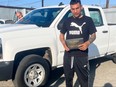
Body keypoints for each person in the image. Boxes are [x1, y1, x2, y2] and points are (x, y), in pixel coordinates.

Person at [59, 0, 97, 87]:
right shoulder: (67, 21)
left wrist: (87, 43)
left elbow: (94, 35)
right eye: (73, 9)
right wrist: (64, 45)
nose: (75, 11)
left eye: (77, 8)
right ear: (70, 9)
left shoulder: (88, 20)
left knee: (83, 80)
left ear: (81, 7)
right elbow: (61, 35)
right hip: (68, 55)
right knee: (68, 79)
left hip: (82, 55)